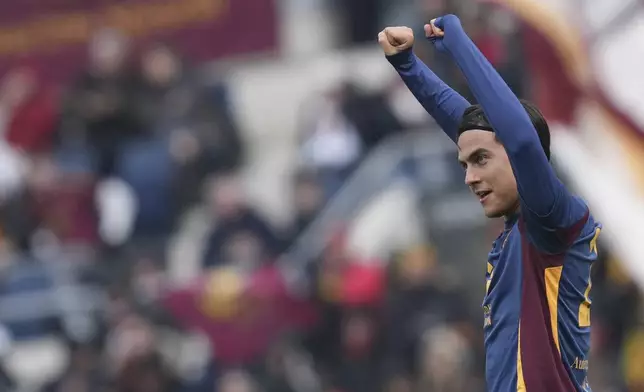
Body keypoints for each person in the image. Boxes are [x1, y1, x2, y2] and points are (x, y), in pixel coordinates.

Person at [378, 14, 601, 392]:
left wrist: (460, 46)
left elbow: (521, 141)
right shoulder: (517, 233)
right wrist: (408, 65)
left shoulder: (553, 220)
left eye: (480, 162)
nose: (469, 177)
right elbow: (471, 130)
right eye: (464, 165)